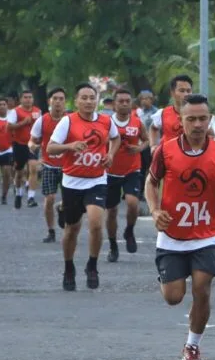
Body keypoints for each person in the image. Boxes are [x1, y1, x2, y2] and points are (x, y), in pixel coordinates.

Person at [146, 94, 215, 360]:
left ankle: (193, 345)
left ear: (210, 119)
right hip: (172, 236)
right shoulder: (164, 151)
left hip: (206, 234)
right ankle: (171, 281)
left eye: (203, 118)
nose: (198, 124)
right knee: (174, 297)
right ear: (181, 121)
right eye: (191, 119)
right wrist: (155, 211)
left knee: (202, 289)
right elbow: (151, 184)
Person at [46, 82, 121, 290]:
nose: (89, 101)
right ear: (76, 101)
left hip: (97, 180)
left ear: (97, 100)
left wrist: (110, 155)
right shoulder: (67, 122)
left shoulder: (106, 121)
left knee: (96, 224)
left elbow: (116, 138)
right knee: (72, 229)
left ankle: (92, 265)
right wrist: (69, 146)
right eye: (84, 98)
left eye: (92, 97)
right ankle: (69, 267)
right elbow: (51, 148)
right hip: (72, 182)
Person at [105, 88, 149, 261]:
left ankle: (129, 230)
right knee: (111, 211)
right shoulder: (107, 122)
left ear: (131, 103)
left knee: (132, 203)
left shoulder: (137, 122)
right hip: (111, 172)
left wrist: (139, 148)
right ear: (114, 104)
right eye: (120, 101)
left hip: (132, 169)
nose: (124, 104)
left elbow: (146, 140)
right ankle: (113, 245)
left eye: (127, 101)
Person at [30, 87, 68, 243]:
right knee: (50, 198)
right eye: (55, 98)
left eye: (61, 99)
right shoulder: (43, 120)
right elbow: (32, 139)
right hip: (49, 165)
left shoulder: (70, 120)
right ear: (49, 101)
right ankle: (51, 231)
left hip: (68, 167)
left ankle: (62, 209)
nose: (58, 102)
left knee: (70, 200)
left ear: (65, 102)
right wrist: (32, 145)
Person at [149, 75, 215, 146]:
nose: (186, 94)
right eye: (182, 91)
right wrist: (153, 145)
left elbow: (211, 135)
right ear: (172, 93)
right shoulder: (162, 113)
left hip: (192, 156)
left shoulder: (199, 114)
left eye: (188, 91)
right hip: (168, 154)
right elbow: (153, 128)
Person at [9, 90, 42, 209]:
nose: (28, 99)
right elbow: (9, 126)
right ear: (21, 99)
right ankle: (18, 193)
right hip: (19, 144)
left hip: (32, 144)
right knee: (19, 173)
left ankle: (31, 197)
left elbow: (41, 127)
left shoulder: (38, 111)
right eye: (25, 97)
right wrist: (23, 123)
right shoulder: (15, 111)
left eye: (30, 97)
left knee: (33, 168)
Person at [136, 89, 158, 178]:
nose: (143, 101)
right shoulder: (140, 112)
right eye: (142, 99)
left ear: (151, 100)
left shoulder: (156, 112)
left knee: (151, 168)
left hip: (152, 144)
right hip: (141, 144)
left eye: (146, 98)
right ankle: (140, 190)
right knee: (141, 168)